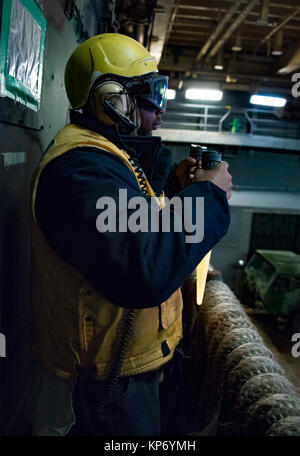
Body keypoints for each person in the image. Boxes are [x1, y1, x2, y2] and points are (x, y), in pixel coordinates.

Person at [26, 33, 232, 436]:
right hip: (104, 388)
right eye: (151, 95)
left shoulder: (103, 159)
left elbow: (127, 227)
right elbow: (142, 267)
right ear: (112, 101)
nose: (159, 111)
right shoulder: (81, 172)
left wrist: (172, 192)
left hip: (121, 374)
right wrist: (209, 198)